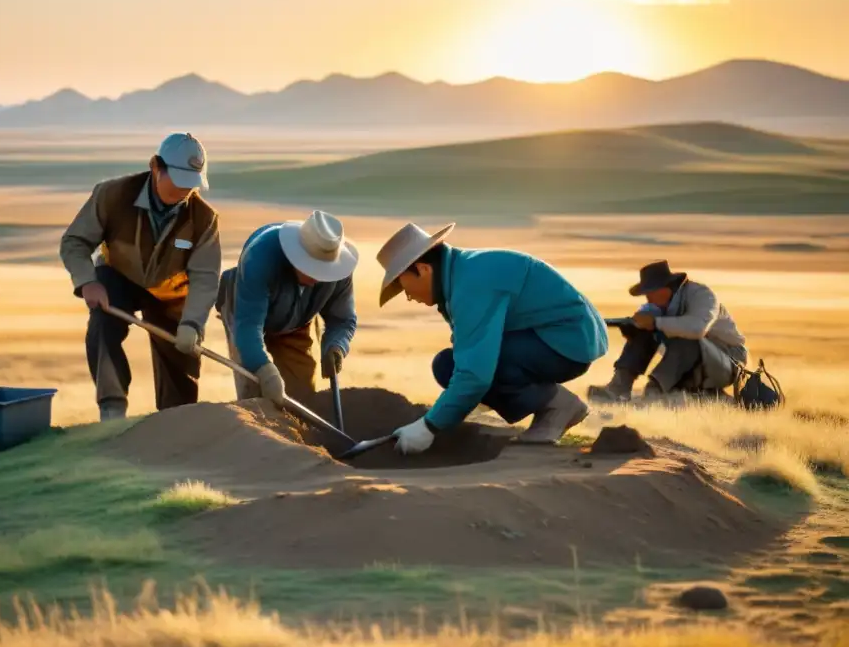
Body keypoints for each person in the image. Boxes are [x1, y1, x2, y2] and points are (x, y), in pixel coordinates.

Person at [375, 222, 608, 454]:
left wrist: (429, 426)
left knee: (468, 369)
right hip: (549, 339)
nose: (409, 297)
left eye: (405, 288)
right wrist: (451, 406)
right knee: (448, 365)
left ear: (424, 270)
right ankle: (551, 404)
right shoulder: (460, 275)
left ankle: (557, 406)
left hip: (568, 343)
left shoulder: (471, 284)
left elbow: (475, 373)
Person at [59, 132, 222, 421]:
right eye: (179, 180)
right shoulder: (112, 195)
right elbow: (74, 242)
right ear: (155, 167)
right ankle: (112, 410)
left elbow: (206, 277)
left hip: (172, 292)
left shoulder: (204, 218)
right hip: (118, 278)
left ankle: (175, 424)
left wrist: (192, 323)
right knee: (102, 326)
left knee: (182, 361)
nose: (185, 190)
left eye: (192, 183)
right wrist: (87, 281)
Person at [216, 211, 358, 407]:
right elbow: (248, 328)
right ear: (295, 255)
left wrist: (336, 346)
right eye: (311, 267)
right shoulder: (259, 257)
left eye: (323, 270)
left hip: (299, 320)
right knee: (254, 393)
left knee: (302, 397)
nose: (316, 277)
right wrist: (264, 370)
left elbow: (343, 319)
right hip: (245, 310)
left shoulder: (340, 271)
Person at [587, 260, 748, 403]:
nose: (648, 298)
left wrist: (656, 323)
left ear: (664, 289)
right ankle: (619, 387)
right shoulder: (658, 306)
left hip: (729, 362)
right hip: (694, 367)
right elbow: (646, 322)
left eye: (650, 292)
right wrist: (633, 330)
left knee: (686, 338)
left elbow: (697, 329)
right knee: (644, 328)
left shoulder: (702, 295)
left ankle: (655, 392)